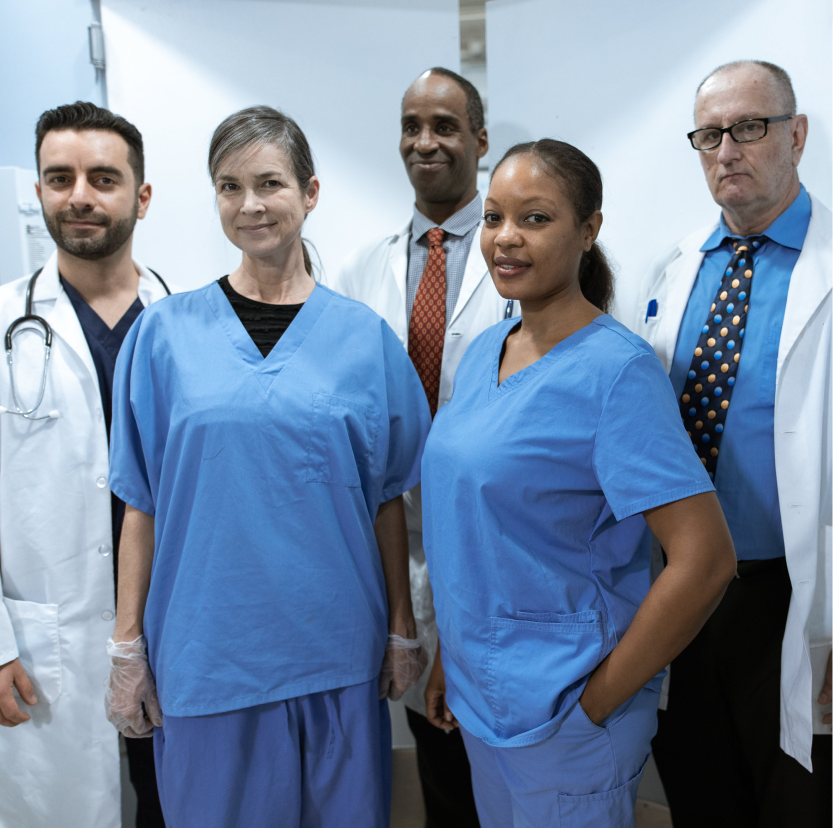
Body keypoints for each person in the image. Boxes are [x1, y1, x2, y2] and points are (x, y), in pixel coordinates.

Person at [105, 106, 431, 828]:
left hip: (336, 653)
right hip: (207, 655)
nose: (249, 204)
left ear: (309, 192)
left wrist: (401, 628)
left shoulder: (364, 340)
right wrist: (127, 644)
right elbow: (141, 502)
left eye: (269, 183)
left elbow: (386, 499)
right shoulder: (164, 335)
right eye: (229, 187)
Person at [420, 139, 737, 828]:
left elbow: (706, 560)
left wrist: (594, 706)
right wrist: (452, 653)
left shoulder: (616, 373)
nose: (506, 238)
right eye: (495, 217)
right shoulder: (485, 351)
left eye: (534, 218)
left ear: (588, 229)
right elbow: (472, 528)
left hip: (564, 713)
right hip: (483, 698)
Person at [636, 60, 833, 827]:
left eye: (748, 128)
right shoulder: (676, 267)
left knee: (799, 800)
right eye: (709, 134)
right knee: (701, 792)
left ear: (796, 134)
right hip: (686, 589)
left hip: (798, 593)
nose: (726, 151)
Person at [326, 67, 514, 827]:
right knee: (440, 768)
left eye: (444, 126)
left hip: (500, 543)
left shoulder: (519, 252)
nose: (424, 142)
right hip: (397, 541)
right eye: (411, 126)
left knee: (508, 767)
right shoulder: (358, 268)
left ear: (480, 140)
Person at [0, 102, 171, 828]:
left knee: (180, 808)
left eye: (103, 178)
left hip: (173, 631)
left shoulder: (188, 324)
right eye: (59, 177)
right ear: (39, 190)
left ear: (141, 195)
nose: (79, 196)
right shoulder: (5, 323)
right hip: (48, 648)